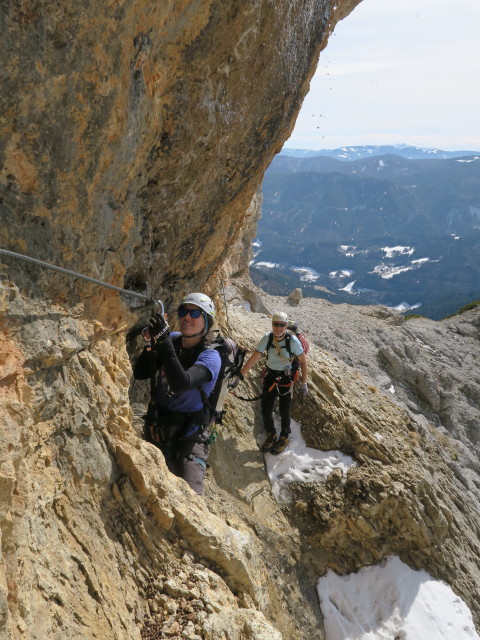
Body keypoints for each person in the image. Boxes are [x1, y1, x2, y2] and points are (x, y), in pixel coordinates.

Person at [133, 293, 221, 495]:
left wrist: (163, 341)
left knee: (191, 496)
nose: (187, 317)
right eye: (183, 311)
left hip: (190, 436)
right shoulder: (172, 340)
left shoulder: (211, 357)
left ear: (206, 320)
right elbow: (141, 373)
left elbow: (182, 383)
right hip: (159, 428)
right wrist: (151, 345)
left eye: (195, 312)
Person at [240, 312, 308, 455]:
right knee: (266, 409)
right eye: (275, 324)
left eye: (282, 325)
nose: (278, 328)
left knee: (284, 411)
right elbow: (254, 358)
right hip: (271, 377)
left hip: (286, 380)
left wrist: (304, 383)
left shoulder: (293, 341)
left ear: (286, 325)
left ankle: (284, 436)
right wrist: (240, 375)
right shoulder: (267, 338)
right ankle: (272, 434)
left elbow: (303, 361)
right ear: (272, 324)